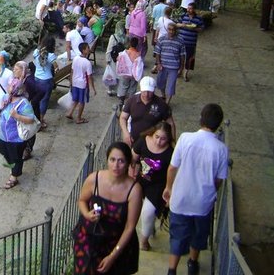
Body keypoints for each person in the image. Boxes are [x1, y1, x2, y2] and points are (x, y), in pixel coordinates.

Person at [163, 104, 228, 275]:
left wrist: (169, 188)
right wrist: (211, 191)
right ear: (218, 124)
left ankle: (172, 269)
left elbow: (172, 168)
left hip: (181, 197)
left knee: (177, 235)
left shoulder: (185, 139)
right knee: (198, 235)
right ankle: (193, 263)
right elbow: (219, 179)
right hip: (202, 202)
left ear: (201, 118)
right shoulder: (221, 149)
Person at [73, 142, 142, 274]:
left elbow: (130, 227)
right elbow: (82, 200)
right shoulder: (94, 179)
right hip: (89, 238)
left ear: (128, 163)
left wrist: (112, 256)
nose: (116, 165)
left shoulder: (134, 190)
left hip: (116, 243)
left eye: (121, 161)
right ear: (107, 160)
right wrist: (87, 214)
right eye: (112, 160)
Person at [131, 122, 174, 251]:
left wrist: (169, 189)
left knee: (148, 212)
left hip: (158, 185)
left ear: (168, 139)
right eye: (157, 137)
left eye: (163, 138)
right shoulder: (143, 141)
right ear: (152, 133)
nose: (159, 141)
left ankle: (143, 241)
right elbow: (133, 156)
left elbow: (173, 172)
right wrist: (131, 171)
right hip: (141, 180)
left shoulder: (170, 152)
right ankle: (148, 228)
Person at [0, 80, 37, 189]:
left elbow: (31, 119)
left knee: (16, 157)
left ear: (16, 89)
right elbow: (1, 112)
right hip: (2, 135)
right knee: (2, 150)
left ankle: (14, 177)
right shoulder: (5, 97)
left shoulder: (24, 103)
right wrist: (1, 107)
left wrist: (17, 116)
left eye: (10, 85)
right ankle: (13, 167)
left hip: (16, 138)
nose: (8, 86)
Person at [119, 76, 175, 147]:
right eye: (144, 91)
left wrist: (172, 141)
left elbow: (171, 123)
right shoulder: (132, 100)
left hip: (153, 142)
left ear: (154, 90)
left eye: (149, 91)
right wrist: (125, 133)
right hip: (133, 139)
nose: (146, 94)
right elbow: (123, 117)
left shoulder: (161, 104)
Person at [155, 23, 186, 105]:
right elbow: (157, 53)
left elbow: (182, 55)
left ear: (176, 30)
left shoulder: (180, 40)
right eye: (169, 29)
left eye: (173, 30)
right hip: (163, 65)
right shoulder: (161, 39)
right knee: (160, 82)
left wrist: (182, 67)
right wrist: (158, 63)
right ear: (167, 29)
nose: (171, 31)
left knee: (171, 86)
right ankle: (163, 95)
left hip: (174, 67)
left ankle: (167, 103)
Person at [66, 42, 97, 124]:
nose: (89, 49)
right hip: (82, 84)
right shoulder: (87, 63)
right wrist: (93, 88)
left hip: (75, 82)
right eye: (87, 48)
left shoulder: (76, 58)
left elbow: (72, 71)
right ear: (83, 50)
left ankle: (70, 112)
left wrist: (71, 82)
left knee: (75, 99)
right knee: (82, 101)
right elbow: (90, 77)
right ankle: (79, 118)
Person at [33, 35, 58, 130]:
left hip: (36, 78)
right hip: (46, 80)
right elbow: (56, 67)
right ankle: (41, 120)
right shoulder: (51, 56)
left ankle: (36, 118)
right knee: (44, 101)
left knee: (37, 99)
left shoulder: (36, 52)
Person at [177, 3, 204, 82]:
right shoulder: (183, 16)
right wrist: (183, 25)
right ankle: (180, 71)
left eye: (190, 9)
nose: (188, 10)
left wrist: (194, 28)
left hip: (191, 42)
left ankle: (185, 73)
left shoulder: (198, 19)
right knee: (180, 57)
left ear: (194, 9)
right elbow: (176, 24)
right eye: (188, 8)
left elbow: (201, 29)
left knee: (189, 58)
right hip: (181, 41)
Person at [115, 37, 143, 110]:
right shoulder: (138, 55)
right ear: (137, 45)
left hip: (125, 74)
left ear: (129, 44)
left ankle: (121, 102)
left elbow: (118, 59)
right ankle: (129, 104)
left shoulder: (124, 53)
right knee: (132, 89)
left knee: (123, 87)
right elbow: (139, 66)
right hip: (133, 75)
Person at [105, 21, 126, 96]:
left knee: (111, 75)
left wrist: (107, 60)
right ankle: (118, 91)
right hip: (121, 59)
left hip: (113, 58)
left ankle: (110, 90)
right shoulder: (124, 37)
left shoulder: (113, 37)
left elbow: (109, 49)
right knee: (119, 76)